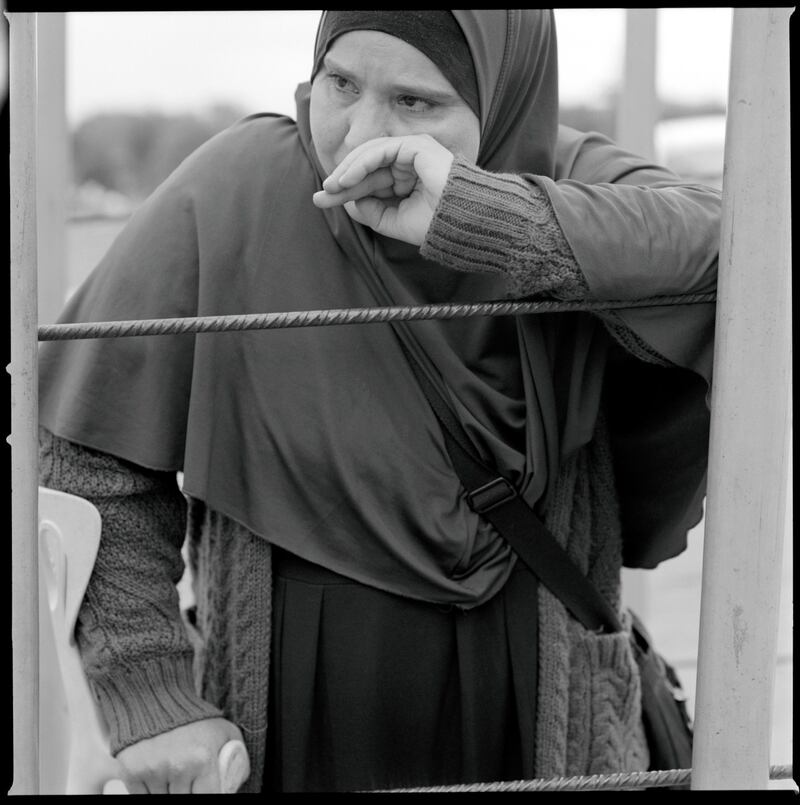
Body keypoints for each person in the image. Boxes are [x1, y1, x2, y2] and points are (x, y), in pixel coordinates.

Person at [38, 9, 720, 794]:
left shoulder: (558, 180)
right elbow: (87, 442)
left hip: (542, 703)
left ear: (499, 104)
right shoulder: (239, 187)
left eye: (415, 102)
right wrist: (150, 694)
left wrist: (482, 219)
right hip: (289, 711)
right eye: (341, 84)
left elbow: (733, 244)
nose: (362, 134)